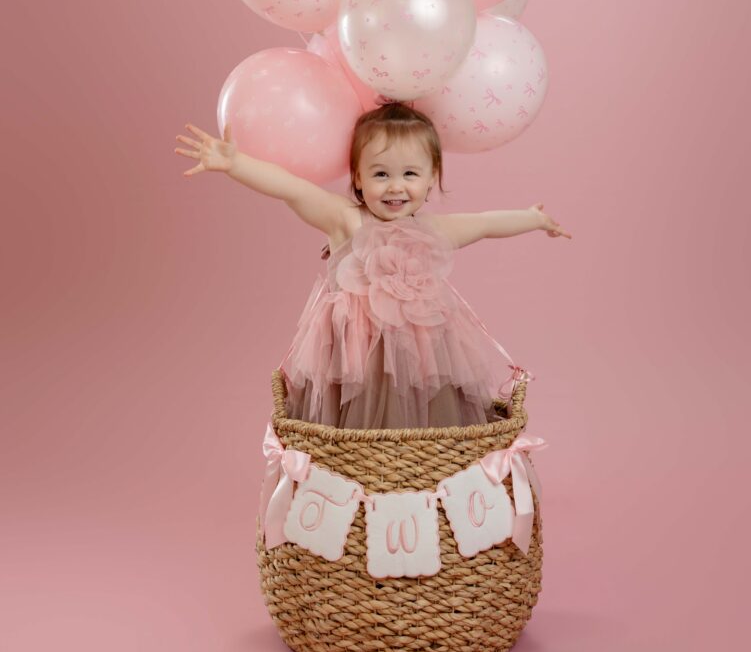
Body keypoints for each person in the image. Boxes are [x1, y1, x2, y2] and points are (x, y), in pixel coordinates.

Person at [174, 102, 571, 429]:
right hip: (353, 361)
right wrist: (235, 163)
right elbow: (290, 188)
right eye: (381, 174)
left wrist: (532, 218)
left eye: (410, 174)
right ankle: (358, 484)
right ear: (359, 179)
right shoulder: (346, 219)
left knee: (426, 417)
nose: (396, 187)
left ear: (432, 177)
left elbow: (486, 223)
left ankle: (418, 481)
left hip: (421, 362)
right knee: (354, 421)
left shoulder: (432, 229)